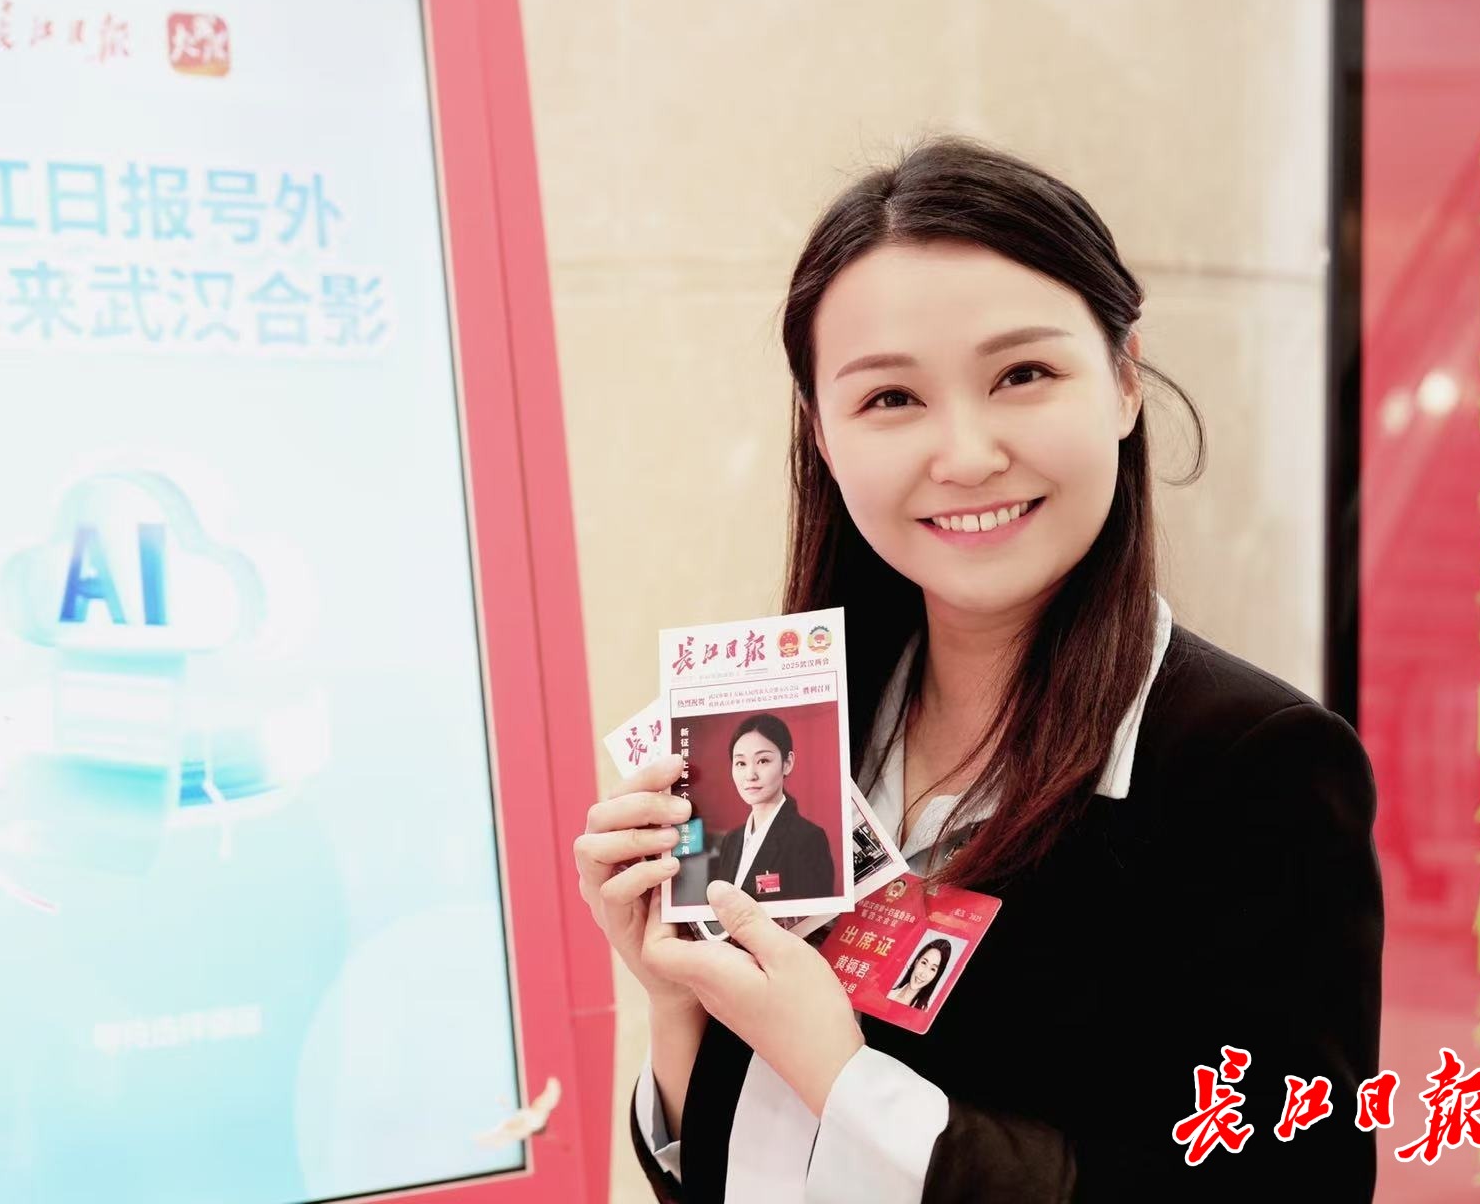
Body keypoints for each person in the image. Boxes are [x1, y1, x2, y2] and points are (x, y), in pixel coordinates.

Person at [569, 136, 1382, 1201]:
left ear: (1124, 380)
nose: (965, 454)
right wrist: (677, 999)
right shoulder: (807, 731)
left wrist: (846, 1081)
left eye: (1023, 375)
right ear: (822, 433)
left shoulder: (1254, 768)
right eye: (890, 398)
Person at [703, 713, 836, 903]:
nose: (750, 775)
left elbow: (815, 916)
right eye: (741, 763)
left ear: (787, 763)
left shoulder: (807, 839)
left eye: (763, 761)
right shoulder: (731, 840)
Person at [886, 938, 953, 1010]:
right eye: (924, 963)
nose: (923, 974)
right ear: (916, 962)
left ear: (936, 975)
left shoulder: (924, 1012)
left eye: (933, 969)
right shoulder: (887, 992)